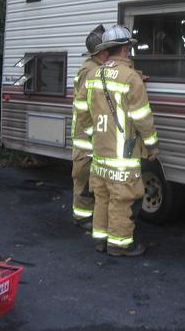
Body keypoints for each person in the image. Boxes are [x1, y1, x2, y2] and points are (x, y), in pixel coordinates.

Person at [77, 25, 158, 257]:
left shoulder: (93, 75)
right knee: (123, 199)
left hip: (100, 153)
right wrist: (152, 145)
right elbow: (142, 118)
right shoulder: (131, 78)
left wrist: (94, 132)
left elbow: (81, 110)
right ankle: (120, 244)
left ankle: (101, 240)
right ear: (124, 49)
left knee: (102, 197)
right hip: (123, 155)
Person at [71, 24, 109, 228]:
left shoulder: (95, 68)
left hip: (89, 135)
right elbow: (83, 103)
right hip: (86, 138)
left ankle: (88, 215)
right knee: (84, 179)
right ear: (101, 52)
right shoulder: (90, 71)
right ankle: (82, 217)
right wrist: (91, 132)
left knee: (89, 179)